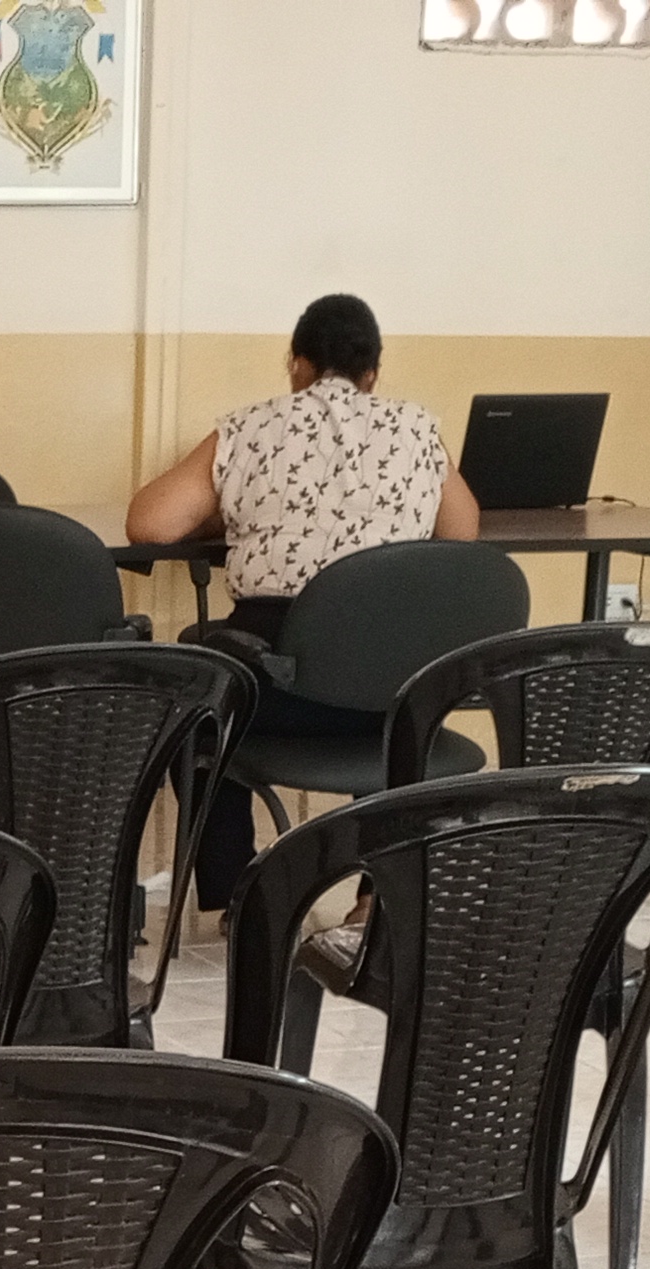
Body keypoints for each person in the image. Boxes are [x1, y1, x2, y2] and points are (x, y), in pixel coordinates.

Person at [126, 292, 478, 915]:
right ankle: (374, 900)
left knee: (197, 697)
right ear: (373, 372)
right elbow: (461, 534)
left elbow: (150, 524)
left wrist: (235, 512)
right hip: (397, 697)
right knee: (385, 660)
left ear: (297, 362)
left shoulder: (250, 427)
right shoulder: (419, 428)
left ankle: (242, 897)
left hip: (282, 694)